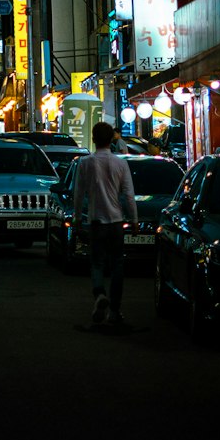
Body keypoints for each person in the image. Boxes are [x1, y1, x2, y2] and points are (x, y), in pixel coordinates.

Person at [73, 120, 139, 331]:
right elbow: (128, 195)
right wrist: (134, 219)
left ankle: (100, 293)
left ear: (93, 139)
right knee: (118, 265)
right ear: (112, 139)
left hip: (96, 221)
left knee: (97, 263)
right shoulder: (120, 163)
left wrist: (76, 218)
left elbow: (78, 194)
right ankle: (115, 311)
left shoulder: (86, 163)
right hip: (117, 222)